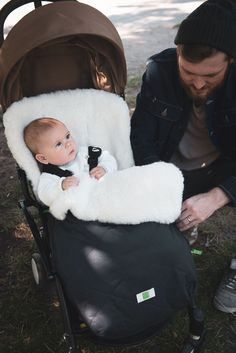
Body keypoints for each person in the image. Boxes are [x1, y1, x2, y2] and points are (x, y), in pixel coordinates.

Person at [130, 0, 236, 314]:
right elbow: (140, 138)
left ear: (230, 60)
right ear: (177, 53)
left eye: (211, 75)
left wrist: (219, 196)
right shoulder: (158, 71)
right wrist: (160, 183)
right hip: (170, 168)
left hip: (224, 168)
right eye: (189, 72)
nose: (199, 83)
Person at [23, 117, 117, 205]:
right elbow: (45, 196)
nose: (68, 143)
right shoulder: (50, 175)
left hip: (107, 197)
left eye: (67, 136)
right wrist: (61, 186)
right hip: (82, 208)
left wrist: (104, 168)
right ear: (43, 158)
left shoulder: (87, 153)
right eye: (58, 144)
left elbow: (108, 158)